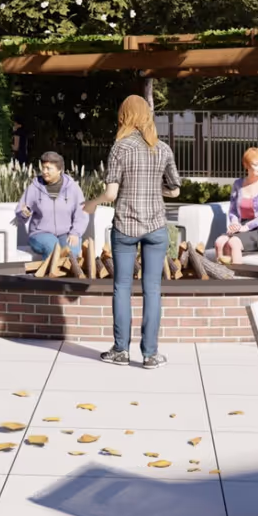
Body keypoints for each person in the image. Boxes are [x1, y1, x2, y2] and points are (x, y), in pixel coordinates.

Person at [95, 95, 181, 369]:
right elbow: (175, 189)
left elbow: (110, 193)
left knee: (122, 287)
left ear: (125, 115)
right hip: (156, 227)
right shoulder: (163, 149)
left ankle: (121, 351)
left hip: (125, 226)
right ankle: (150, 354)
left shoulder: (120, 147)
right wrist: (154, 188)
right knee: (152, 289)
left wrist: (91, 203)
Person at [16, 151, 91, 260]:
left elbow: (82, 213)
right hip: (40, 233)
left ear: (59, 170)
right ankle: (49, 276)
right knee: (52, 247)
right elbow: (21, 211)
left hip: (66, 233)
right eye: (43, 168)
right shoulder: (34, 187)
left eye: (48, 168)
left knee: (72, 252)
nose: (44, 171)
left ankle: (68, 277)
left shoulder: (73, 188)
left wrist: (75, 232)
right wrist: (24, 213)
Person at [215, 147, 258, 265]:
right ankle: (221, 276)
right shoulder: (238, 184)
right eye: (256, 164)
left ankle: (238, 278)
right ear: (246, 165)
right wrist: (234, 223)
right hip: (241, 228)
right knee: (219, 242)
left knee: (233, 242)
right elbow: (233, 210)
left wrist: (247, 227)